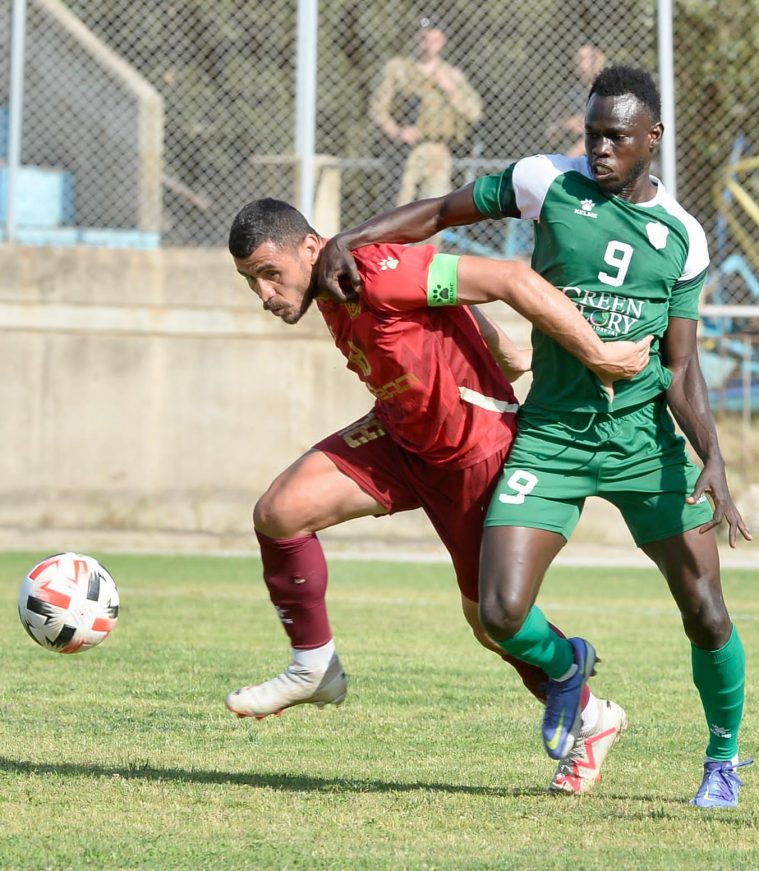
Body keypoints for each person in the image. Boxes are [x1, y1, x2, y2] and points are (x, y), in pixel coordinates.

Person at [315, 65, 754, 807]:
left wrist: (712, 456)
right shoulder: (546, 180)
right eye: (592, 134)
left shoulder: (682, 236)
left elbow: (681, 368)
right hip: (550, 434)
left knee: (706, 609)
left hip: (643, 441)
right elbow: (440, 212)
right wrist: (350, 239)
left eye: (617, 137)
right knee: (499, 611)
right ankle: (569, 666)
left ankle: (723, 761)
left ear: (653, 138)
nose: (600, 149)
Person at [226, 196, 652, 795]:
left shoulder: (376, 271)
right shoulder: (329, 285)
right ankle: (313, 665)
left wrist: (598, 355)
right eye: (251, 281)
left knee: (493, 624)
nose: (265, 293)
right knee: (279, 513)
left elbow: (507, 278)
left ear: (311, 247)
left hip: (474, 453)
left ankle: (590, 716)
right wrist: (504, 351)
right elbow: (446, 301)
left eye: (271, 274)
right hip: (401, 437)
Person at [370, 15, 482, 207]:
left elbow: (474, 111)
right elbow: (378, 108)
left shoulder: (451, 75)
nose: (428, 45)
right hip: (403, 151)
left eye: (434, 40)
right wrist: (396, 131)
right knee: (398, 209)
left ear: (442, 41)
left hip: (438, 150)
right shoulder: (398, 70)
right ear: (416, 38)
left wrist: (450, 90)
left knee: (434, 210)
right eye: (424, 39)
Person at [545, 43, 606, 157]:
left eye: (585, 59)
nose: (581, 64)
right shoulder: (571, 93)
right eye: (578, 59)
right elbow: (550, 133)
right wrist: (567, 123)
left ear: (599, 60)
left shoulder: (610, 90)